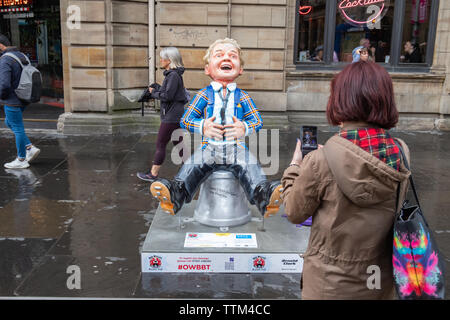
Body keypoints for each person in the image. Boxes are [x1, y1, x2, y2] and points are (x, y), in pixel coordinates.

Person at [281, 61, 411, 299]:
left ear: (339, 100)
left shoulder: (320, 160)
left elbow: (293, 212)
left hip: (328, 285)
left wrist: (295, 168)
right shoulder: (400, 152)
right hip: (379, 282)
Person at [150, 38, 283, 217]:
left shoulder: (242, 96)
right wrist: (202, 125)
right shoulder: (204, 95)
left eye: (232, 56)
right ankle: (176, 194)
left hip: (236, 149)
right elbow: (186, 119)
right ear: (208, 69)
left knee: (251, 167)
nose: (226, 58)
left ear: (240, 69)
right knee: (192, 165)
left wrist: (244, 126)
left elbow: (256, 120)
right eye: (219, 55)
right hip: (210, 148)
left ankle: (263, 197)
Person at [137, 47, 187, 182]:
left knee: (161, 144)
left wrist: (153, 93)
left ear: (169, 60)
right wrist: (158, 88)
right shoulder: (174, 75)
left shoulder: (173, 75)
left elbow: (168, 96)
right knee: (179, 143)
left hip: (171, 116)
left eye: (162, 58)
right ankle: (189, 169)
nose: (160, 60)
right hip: (176, 114)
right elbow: (170, 92)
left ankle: (153, 174)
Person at [0, 34, 40, 169]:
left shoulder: (5, 59)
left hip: (12, 99)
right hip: (23, 96)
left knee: (17, 128)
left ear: (1, 45)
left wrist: (2, 97)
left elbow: (4, 84)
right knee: (9, 122)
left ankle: (21, 159)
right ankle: (29, 147)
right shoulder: (21, 55)